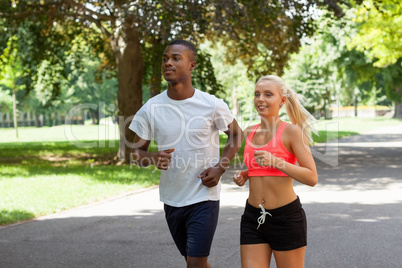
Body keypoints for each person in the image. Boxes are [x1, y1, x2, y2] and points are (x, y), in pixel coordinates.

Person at [129, 39, 243, 268]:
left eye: (175, 58)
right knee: (193, 261)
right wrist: (152, 158)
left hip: (204, 196)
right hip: (172, 198)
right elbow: (136, 153)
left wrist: (220, 167)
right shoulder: (151, 108)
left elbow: (236, 135)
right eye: (165, 59)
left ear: (192, 65)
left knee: (196, 262)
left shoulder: (211, 104)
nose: (167, 63)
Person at [233, 75, 318, 268]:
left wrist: (276, 162)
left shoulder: (292, 132)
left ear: (282, 100)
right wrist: (246, 174)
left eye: (268, 94)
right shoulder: (249, 132)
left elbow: (312, 177)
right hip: (252, 217)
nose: (260, 99)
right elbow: (258, 169)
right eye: (257, 94)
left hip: (286, 219)